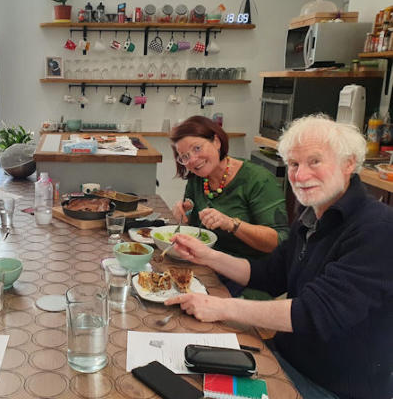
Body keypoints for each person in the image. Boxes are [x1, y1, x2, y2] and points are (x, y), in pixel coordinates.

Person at [165, 115, 393, 398]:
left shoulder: (377, 228)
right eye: (294, 164)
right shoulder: (312, 216)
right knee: (183, 374)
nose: (300, 175)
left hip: (332, 387)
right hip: (285, 360)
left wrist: (221, 307)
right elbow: (270, 275)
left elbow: (314, 313)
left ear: (349, 164)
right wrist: (206, 256)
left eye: (315, 162)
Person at [170, 116, 289, 297]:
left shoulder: (258, 179)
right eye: (185, 157)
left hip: (252, 278)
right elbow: (196, 229)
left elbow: (279, 241)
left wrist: (232, 224)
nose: (193, 160)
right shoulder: (197, 179)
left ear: (216, 141)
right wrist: (183, 215)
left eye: (197, 148)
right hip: (210, 267)